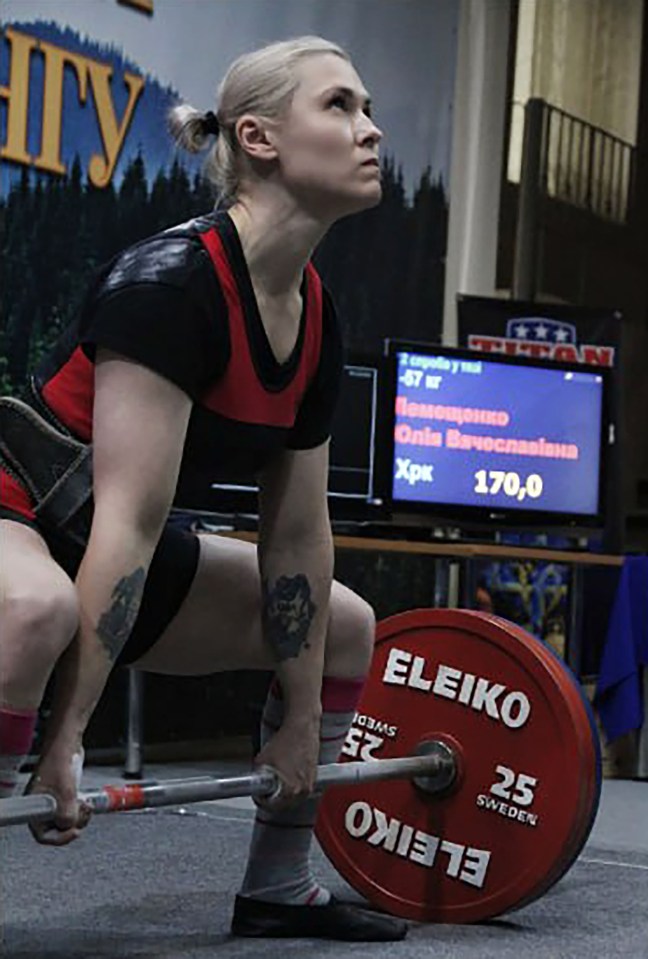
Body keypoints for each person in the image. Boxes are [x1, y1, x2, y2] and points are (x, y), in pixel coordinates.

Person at [0, 36, 408, 941]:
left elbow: (296, 537)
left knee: (343, 623)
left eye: (368, 108)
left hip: (100, 544)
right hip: (21, 513)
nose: (371, 131)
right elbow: (131, 521)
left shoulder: (313, 315)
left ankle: (277, 883)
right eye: (339, 107)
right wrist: (66, 737)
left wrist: (301, 721)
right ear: (259, 138)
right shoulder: (172, 283)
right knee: (32, 609)